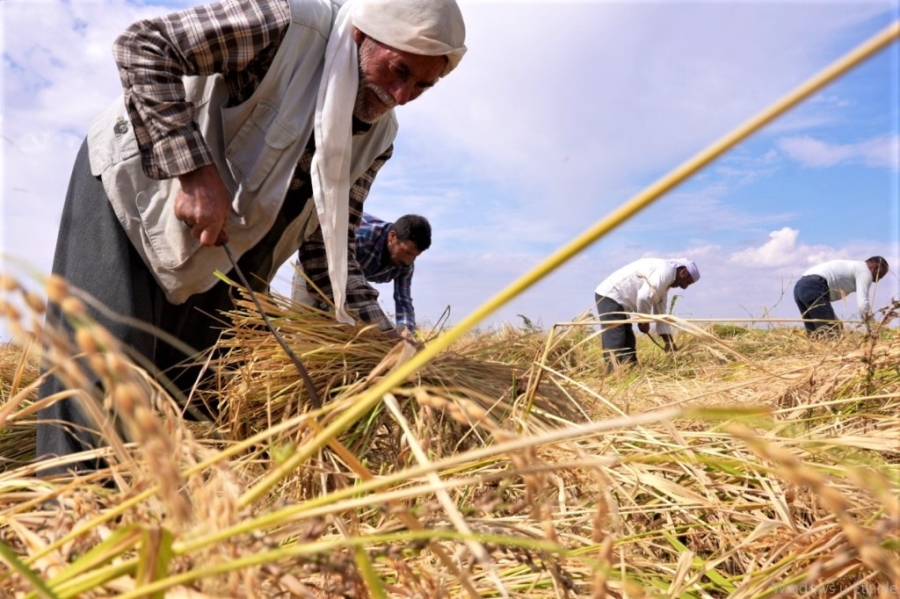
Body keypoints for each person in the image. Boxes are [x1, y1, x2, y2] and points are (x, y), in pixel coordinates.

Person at [36, 0, 466, 474]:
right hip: (137, 196)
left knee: (201, 389)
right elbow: (144, 46)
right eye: (398, 70)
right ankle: (72, 518)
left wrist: (385, 341)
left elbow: (330, 246)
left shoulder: (378, 137)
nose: (401, 94)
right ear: (364, 36)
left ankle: (173, 516)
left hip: (230, 246)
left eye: (423, 85)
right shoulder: (288, 25)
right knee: (103, 379)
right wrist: (194, 171)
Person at [293, 213, 431, 334]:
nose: (408, 261)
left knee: (342, 327)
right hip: (315, 263)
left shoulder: (405, 264)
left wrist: (407, 333)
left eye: (414, 256)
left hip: (349, 276)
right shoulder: (362, 237)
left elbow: (403, 301)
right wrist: (386, 331)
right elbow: (349, 285)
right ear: (392, 237)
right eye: (407, 252)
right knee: (304, 323)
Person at [593, 258, 700, 371]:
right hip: (610, 295)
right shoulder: (665, 271)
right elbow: (644, 297)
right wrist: (643, 320)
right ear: (682, 272)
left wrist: (669, 342)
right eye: (687, 282)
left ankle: (630, 371)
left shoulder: (665, 282)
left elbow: (660, 313)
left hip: (620, 300)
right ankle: (614, 374)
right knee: (616, 337)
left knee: (628, 339)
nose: (684, 287)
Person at [793, 257, 889, 338]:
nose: (876, 281)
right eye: (879, 276)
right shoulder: (865, 271)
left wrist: (837, 323)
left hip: (800, 287)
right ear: (875, 268)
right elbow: (863, 304)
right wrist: (873, 327)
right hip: (815, 286)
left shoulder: (855, 266)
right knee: (830, 334)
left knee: (815, 334)